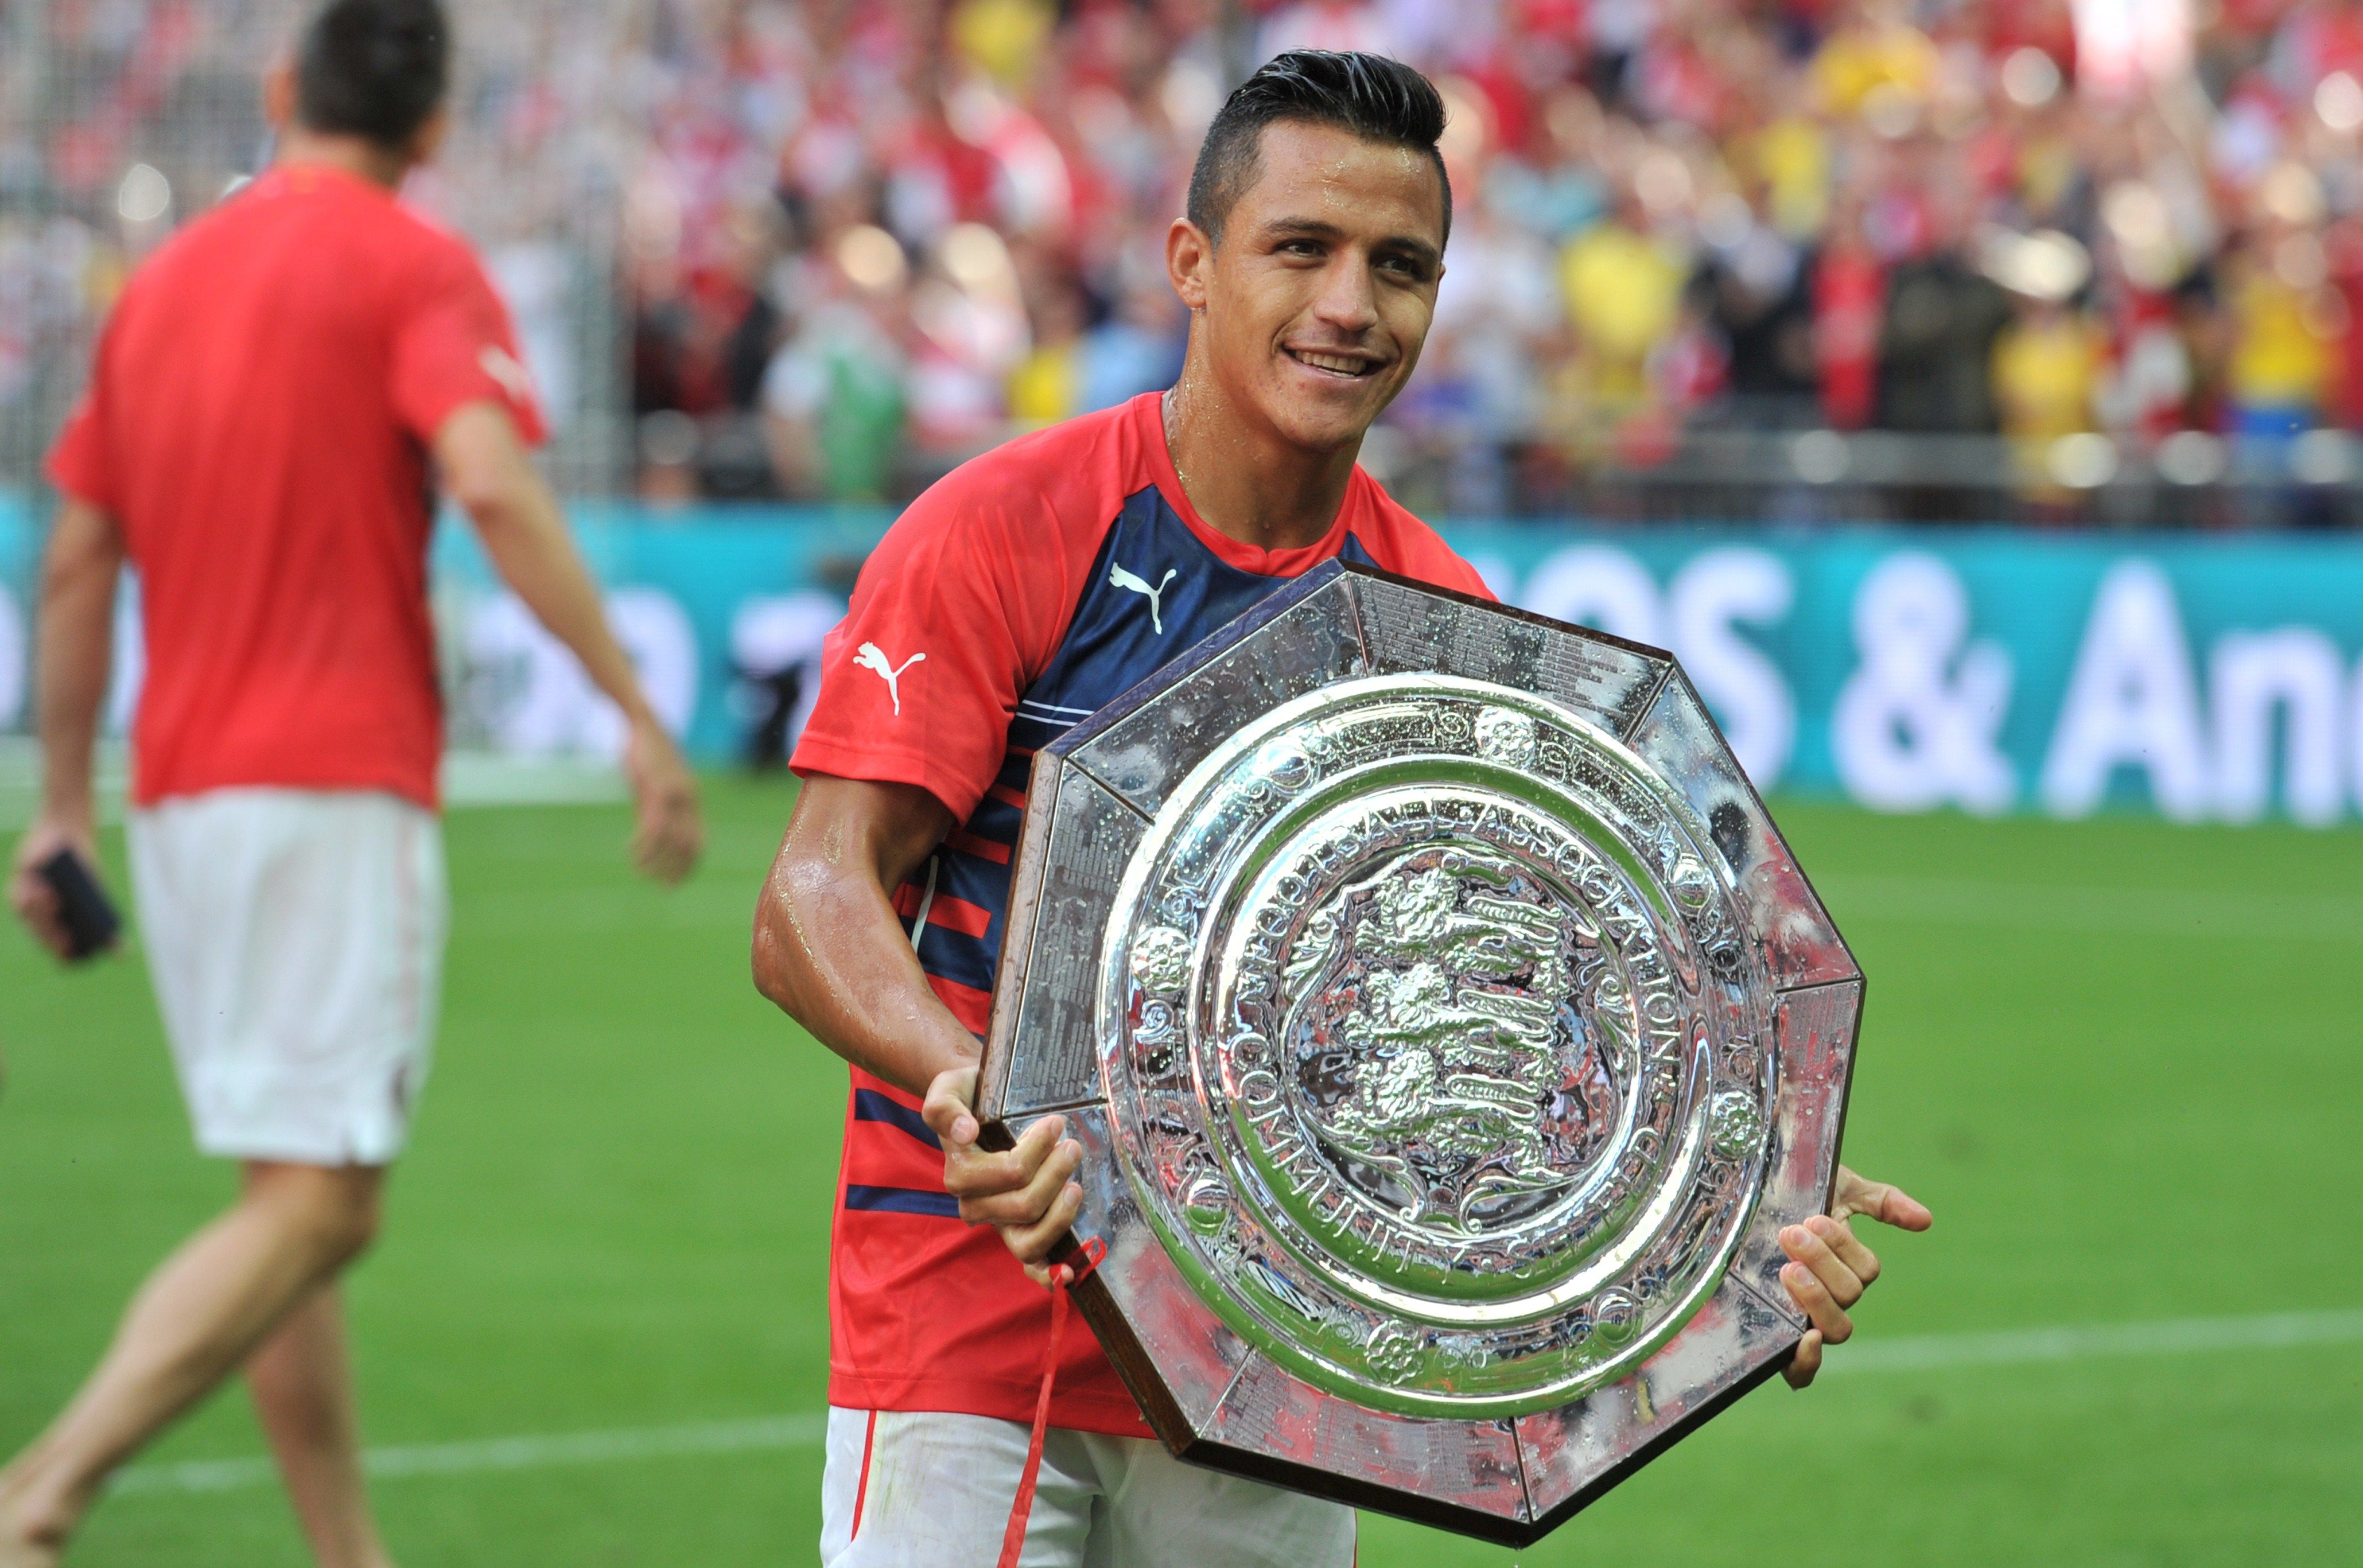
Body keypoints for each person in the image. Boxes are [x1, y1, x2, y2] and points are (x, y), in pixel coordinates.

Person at [753, 49, 1931, 1568]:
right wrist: (959, 1080)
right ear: (1192, 262)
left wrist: (1739, 1222)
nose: (1351, 308)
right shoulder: (1006, 528)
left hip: (1280, 1361)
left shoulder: (1445, 617)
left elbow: (1539, 1026)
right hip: (978, 1337)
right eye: (1300, 249)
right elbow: (811, 903)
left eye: (1401, 267)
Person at [0, 4, 702, 1565]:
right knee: (326, 1207)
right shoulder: (408, 263)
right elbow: (491, 479)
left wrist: (60, 809)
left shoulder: (159, 286)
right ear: (433, 132)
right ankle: (41, 1492)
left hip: (178, 794)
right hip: (333, 776)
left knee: (278, 1192)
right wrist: (633, 709)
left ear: (278, 93)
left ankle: (345, 1555)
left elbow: (71, 566)